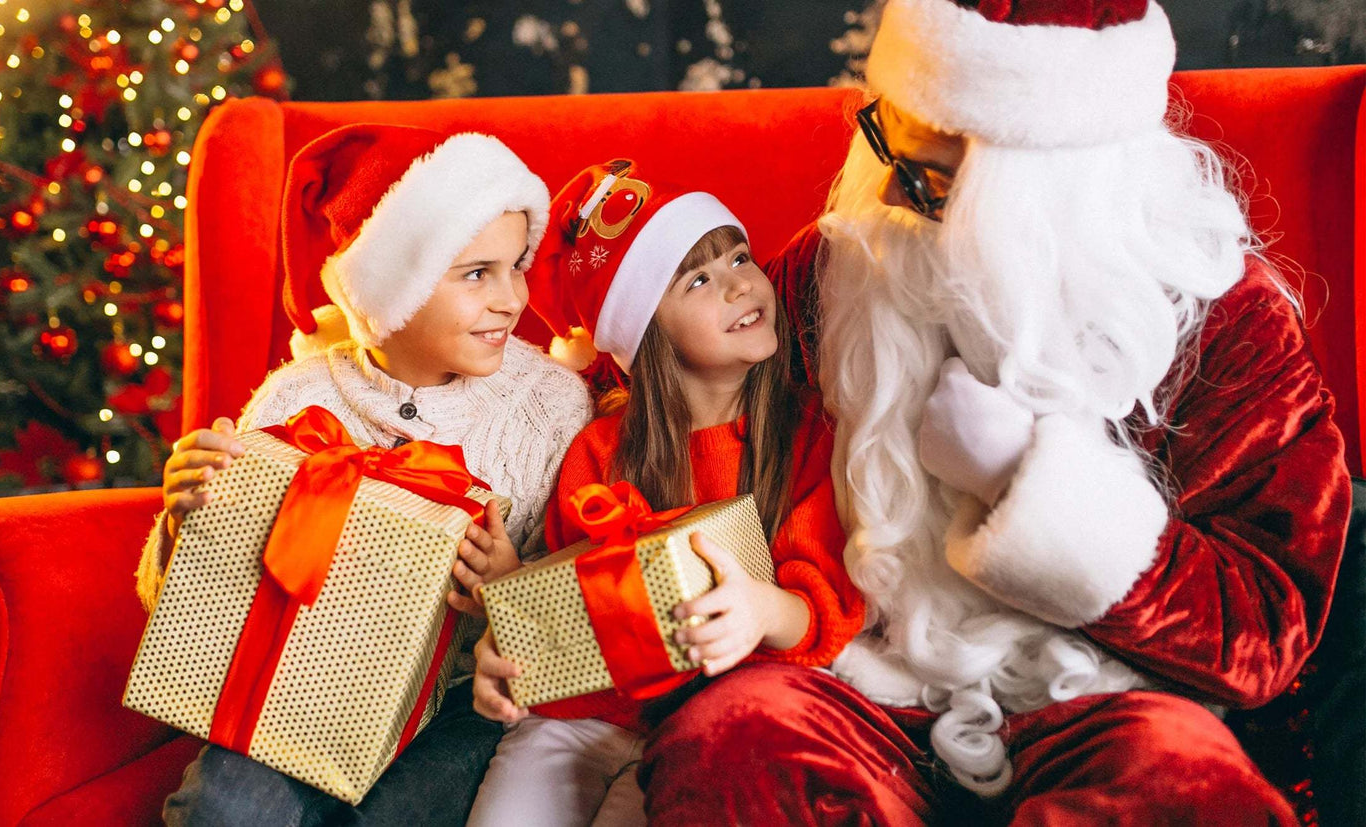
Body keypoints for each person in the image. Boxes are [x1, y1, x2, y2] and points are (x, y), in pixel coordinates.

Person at [638, 0, 1352, 823]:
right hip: (860, 674)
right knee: (729, 744)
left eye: (929, 182)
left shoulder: (1225, 315)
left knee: (1184, 788)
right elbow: (690, 427)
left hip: (1106, 697)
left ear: (1043, 186)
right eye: (885, 141)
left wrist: (1028, 487)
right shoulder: (841, 265)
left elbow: (1260, 624)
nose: (891, 199)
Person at [134, 123, 594, 826]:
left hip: (463, 708)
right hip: (295, 696)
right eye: (477, 273)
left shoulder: (551, 407)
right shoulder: (297, 396)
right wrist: (182, 521)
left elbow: (583, 620)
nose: (511, 299)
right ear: (394, 289)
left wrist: (508, 583)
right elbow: (192, 604)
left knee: (404, 810)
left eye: (516, 266)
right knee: (228, 804)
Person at [465, 160, 865, 826]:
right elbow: (569, 597)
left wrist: (763, 609)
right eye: (700, 278)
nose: (741, 282)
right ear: (647, 331)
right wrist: (506, 631)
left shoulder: (808, 432)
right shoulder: (600, 450)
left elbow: (826, 609)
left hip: (705, 722)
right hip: (583, 714)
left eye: (739, 255)